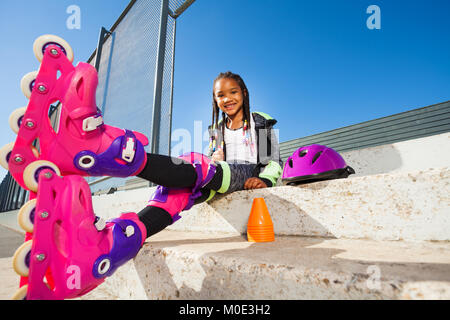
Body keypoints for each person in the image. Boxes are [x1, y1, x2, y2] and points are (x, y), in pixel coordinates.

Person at [135, 71, 283, 238]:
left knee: (197, 164)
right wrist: (214, 158)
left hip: (249, 174)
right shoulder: (217, 129)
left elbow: (273, 159)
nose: (227, 99)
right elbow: (210, 158)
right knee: (178, 192)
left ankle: (130, 159)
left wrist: (265, 179)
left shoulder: (259, 120)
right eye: (221, 95)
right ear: (215, 99)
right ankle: (129, 233)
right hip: (222, 175)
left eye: (233, 92)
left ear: (244, 92)